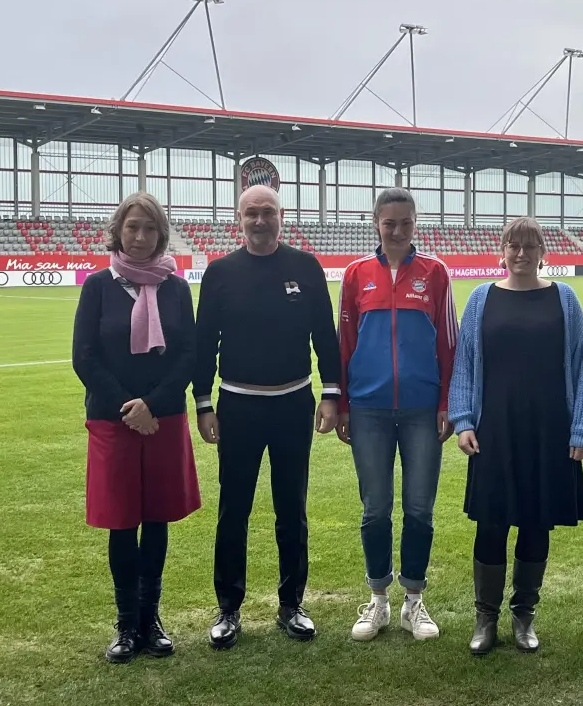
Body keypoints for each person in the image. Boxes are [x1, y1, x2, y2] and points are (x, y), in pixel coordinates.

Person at [193, 185, 342, 649]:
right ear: (239, 219)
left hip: (292, 403)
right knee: (232, 510)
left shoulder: (305, 267)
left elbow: (325, 335)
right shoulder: (220, 273)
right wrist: (203, 403)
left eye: (268, 213)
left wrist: (331, 393)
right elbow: (204, 344)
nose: (260, 221)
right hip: (237, 406)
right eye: (251, 213)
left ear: (282, 217)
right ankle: (228, 609)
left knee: (290, 509)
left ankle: (291, 604)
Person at [449, 217, 583, 656]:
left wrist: (582, 425)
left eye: (530, 246)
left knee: (535, 522)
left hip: (549, 429)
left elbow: (580, 366)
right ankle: (485, 617)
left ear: (542, 251)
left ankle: (524, 615)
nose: (522, 254)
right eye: (514, 245)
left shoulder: (564, 300)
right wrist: (463, 419)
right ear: (503, 250)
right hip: (495, 428)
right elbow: (465, 363)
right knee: (491, 522)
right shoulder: (481, 299)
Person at [71, 191, 201, 663]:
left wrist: (154, 403)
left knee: (156, 518)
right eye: (133, 227)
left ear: (161, 233)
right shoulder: (97, 286)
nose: (141, 236)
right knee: (122, 522)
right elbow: (84, 357)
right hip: (113, 420)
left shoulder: (176, 288)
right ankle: (126, 624)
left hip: (163, 417)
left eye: (150, 228)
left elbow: (188, 354)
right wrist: (130, 406)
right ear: (118, 232)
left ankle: (151, 618)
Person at [337, 187, 456, 642]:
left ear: (414, 224)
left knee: (420, 509)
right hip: (367, 409)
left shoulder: (436, 273)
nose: (398, 230)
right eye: (390, 223)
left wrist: (447, 402)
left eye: (405, 222)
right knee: (376, 510)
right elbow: (344, 344)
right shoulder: (355, 275)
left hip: (422, 408)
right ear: (376, 224)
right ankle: (379, 599)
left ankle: (413, 601)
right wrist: (344, 402)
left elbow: (448, 342)